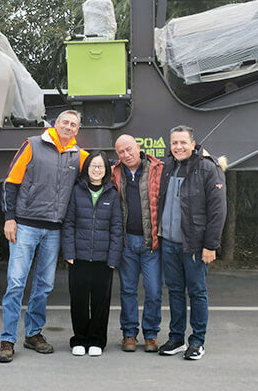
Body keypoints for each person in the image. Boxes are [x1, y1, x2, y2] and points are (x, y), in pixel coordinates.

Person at [0, 110, 88, 363]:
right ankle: (7, 339)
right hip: (25, 226)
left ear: (77, 130)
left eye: (73, 124)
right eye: (65, 122)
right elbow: (11, 183)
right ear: (55, 124)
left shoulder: (79, 156)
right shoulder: (32, 145)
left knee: (45, 285)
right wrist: (10, 218)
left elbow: (102, 172)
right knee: (16, 282)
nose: (68, 127)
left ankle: (33, 333)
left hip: (54, 229)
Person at [157, 125, 227, 360]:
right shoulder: (167, 166)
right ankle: (176, 338)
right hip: (168, 243)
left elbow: (218, 211)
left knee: (197, 293)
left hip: (195, 246)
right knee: (175, 291)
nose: (178, 147)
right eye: (174, 142)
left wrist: (211, 245)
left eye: (183, 142)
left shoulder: (208, 168)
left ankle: (197, 341)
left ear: (193, 144)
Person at [61, 151, 123, 357]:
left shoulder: (112, 193)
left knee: (100, 301)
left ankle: (97, 340)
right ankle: (79, 339)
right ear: (87, 168)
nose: (97, 169)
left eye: (101, 166)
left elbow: (116, 228)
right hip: (78, 256)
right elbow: (68, 223)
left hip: (103, 259)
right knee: (78, 299)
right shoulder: (76, 191)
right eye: (93, 166)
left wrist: (113, 257)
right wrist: (68, 251)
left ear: (106, 170)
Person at [111, 134, 164, 352]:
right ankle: (129, 334)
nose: (126, 154)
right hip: (126, 242)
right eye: (121, 152)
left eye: (129, 149)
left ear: (138, 147)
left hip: (149, 242)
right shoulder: (114, 172)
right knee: (128, 290)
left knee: (153, 291)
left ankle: (151, 334)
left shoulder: (156, 168)